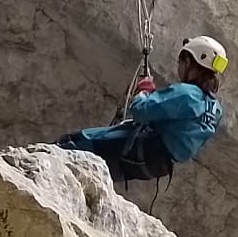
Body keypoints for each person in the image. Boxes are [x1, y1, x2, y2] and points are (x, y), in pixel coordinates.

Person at [58, 36, 227, 184]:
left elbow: (141, 110)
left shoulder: (187, 93)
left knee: (72, 143)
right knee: (94, 171)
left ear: (189, 63)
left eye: (181, 62)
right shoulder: (215, 109)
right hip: (157, 165)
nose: (179, 68)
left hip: (145, 147)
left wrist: (143, 92)